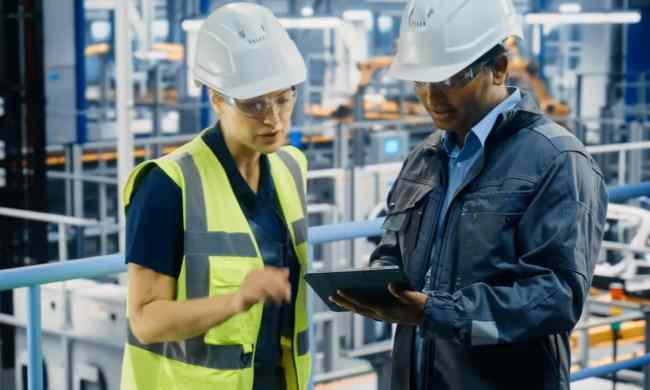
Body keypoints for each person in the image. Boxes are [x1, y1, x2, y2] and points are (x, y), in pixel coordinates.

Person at [331, 1, 608, 389]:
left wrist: (438, 313)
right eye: (421, 81)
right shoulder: (424, 157)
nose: (432, 97)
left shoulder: (556, 160)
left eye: (452, 78)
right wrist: (379, 282)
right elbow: (392, 246)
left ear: (498, 67)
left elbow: (555, 299)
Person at [120, 4, 311, 390]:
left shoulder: (292, 169)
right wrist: (237, 300)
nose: (274, 118)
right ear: (217, 99)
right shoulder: (167, 186)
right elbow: (146, 320)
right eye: (255, 104)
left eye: (283, 98)